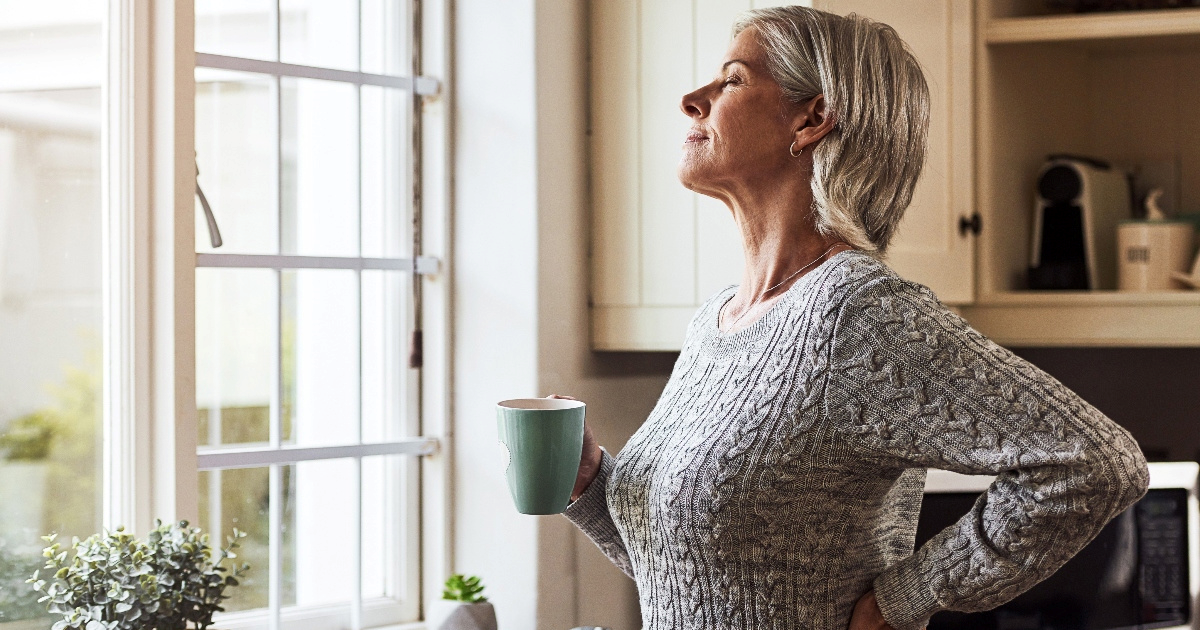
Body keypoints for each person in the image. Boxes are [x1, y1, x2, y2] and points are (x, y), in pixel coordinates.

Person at [556, 6, 1149, 630]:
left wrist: (909, 595)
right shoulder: (718, 322)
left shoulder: (857, 316)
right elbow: (695, 572)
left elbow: (1096, 461)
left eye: (731, 80)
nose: (691, 100)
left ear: (812, 117)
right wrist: (592, 488)